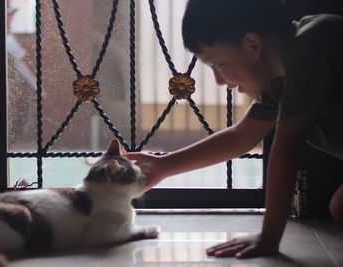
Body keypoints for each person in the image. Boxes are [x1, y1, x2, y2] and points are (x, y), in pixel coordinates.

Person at [125, 0, 343, 258]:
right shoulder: (280, 83)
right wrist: (164, 165)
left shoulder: (312, 42)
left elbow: (288, 148)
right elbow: (241, 137)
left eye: (218, 65)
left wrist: (269, 237)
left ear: (253, 44)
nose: (219, 81)